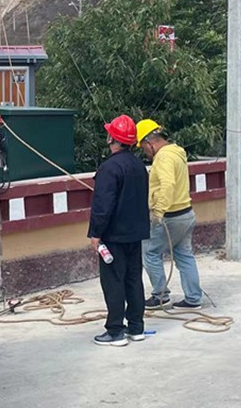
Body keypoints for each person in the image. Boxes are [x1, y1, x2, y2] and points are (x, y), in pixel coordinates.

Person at [87, 114, 150, 346]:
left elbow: (103, 206)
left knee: (113, 281)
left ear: (112, 138)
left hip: (113, 235)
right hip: (135, 233)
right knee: (133, 279)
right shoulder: (139, 166)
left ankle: (115, 331)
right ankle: (136, 327)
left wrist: (95, 233)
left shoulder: (109, 168)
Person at [136, 118, 202, 310]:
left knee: (150, 252)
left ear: (150, 141)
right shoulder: (177, 152)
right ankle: (193, 298)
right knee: (184, 255)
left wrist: (158, 211)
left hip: (170, 216)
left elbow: (167, 185)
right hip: (186, 213)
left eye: (143, 146)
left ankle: (160, 296)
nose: (144, 151)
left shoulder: (163, 157)